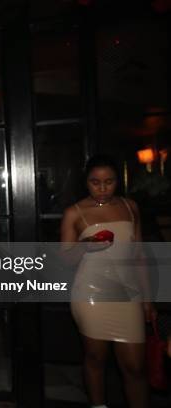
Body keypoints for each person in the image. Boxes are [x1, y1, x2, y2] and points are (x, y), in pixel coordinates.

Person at [60, 154, 155, 408]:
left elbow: (140, 255)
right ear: (86, 183)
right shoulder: (75, 212)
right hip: (91, 293)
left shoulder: (130, 207)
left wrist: (147, 300)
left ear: (118, 181)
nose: (102, 188)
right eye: (95, 182)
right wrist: (85, 246)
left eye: (109, 182)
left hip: (128, 293)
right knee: (95, 359)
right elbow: (66, 259)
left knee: (135, 367)